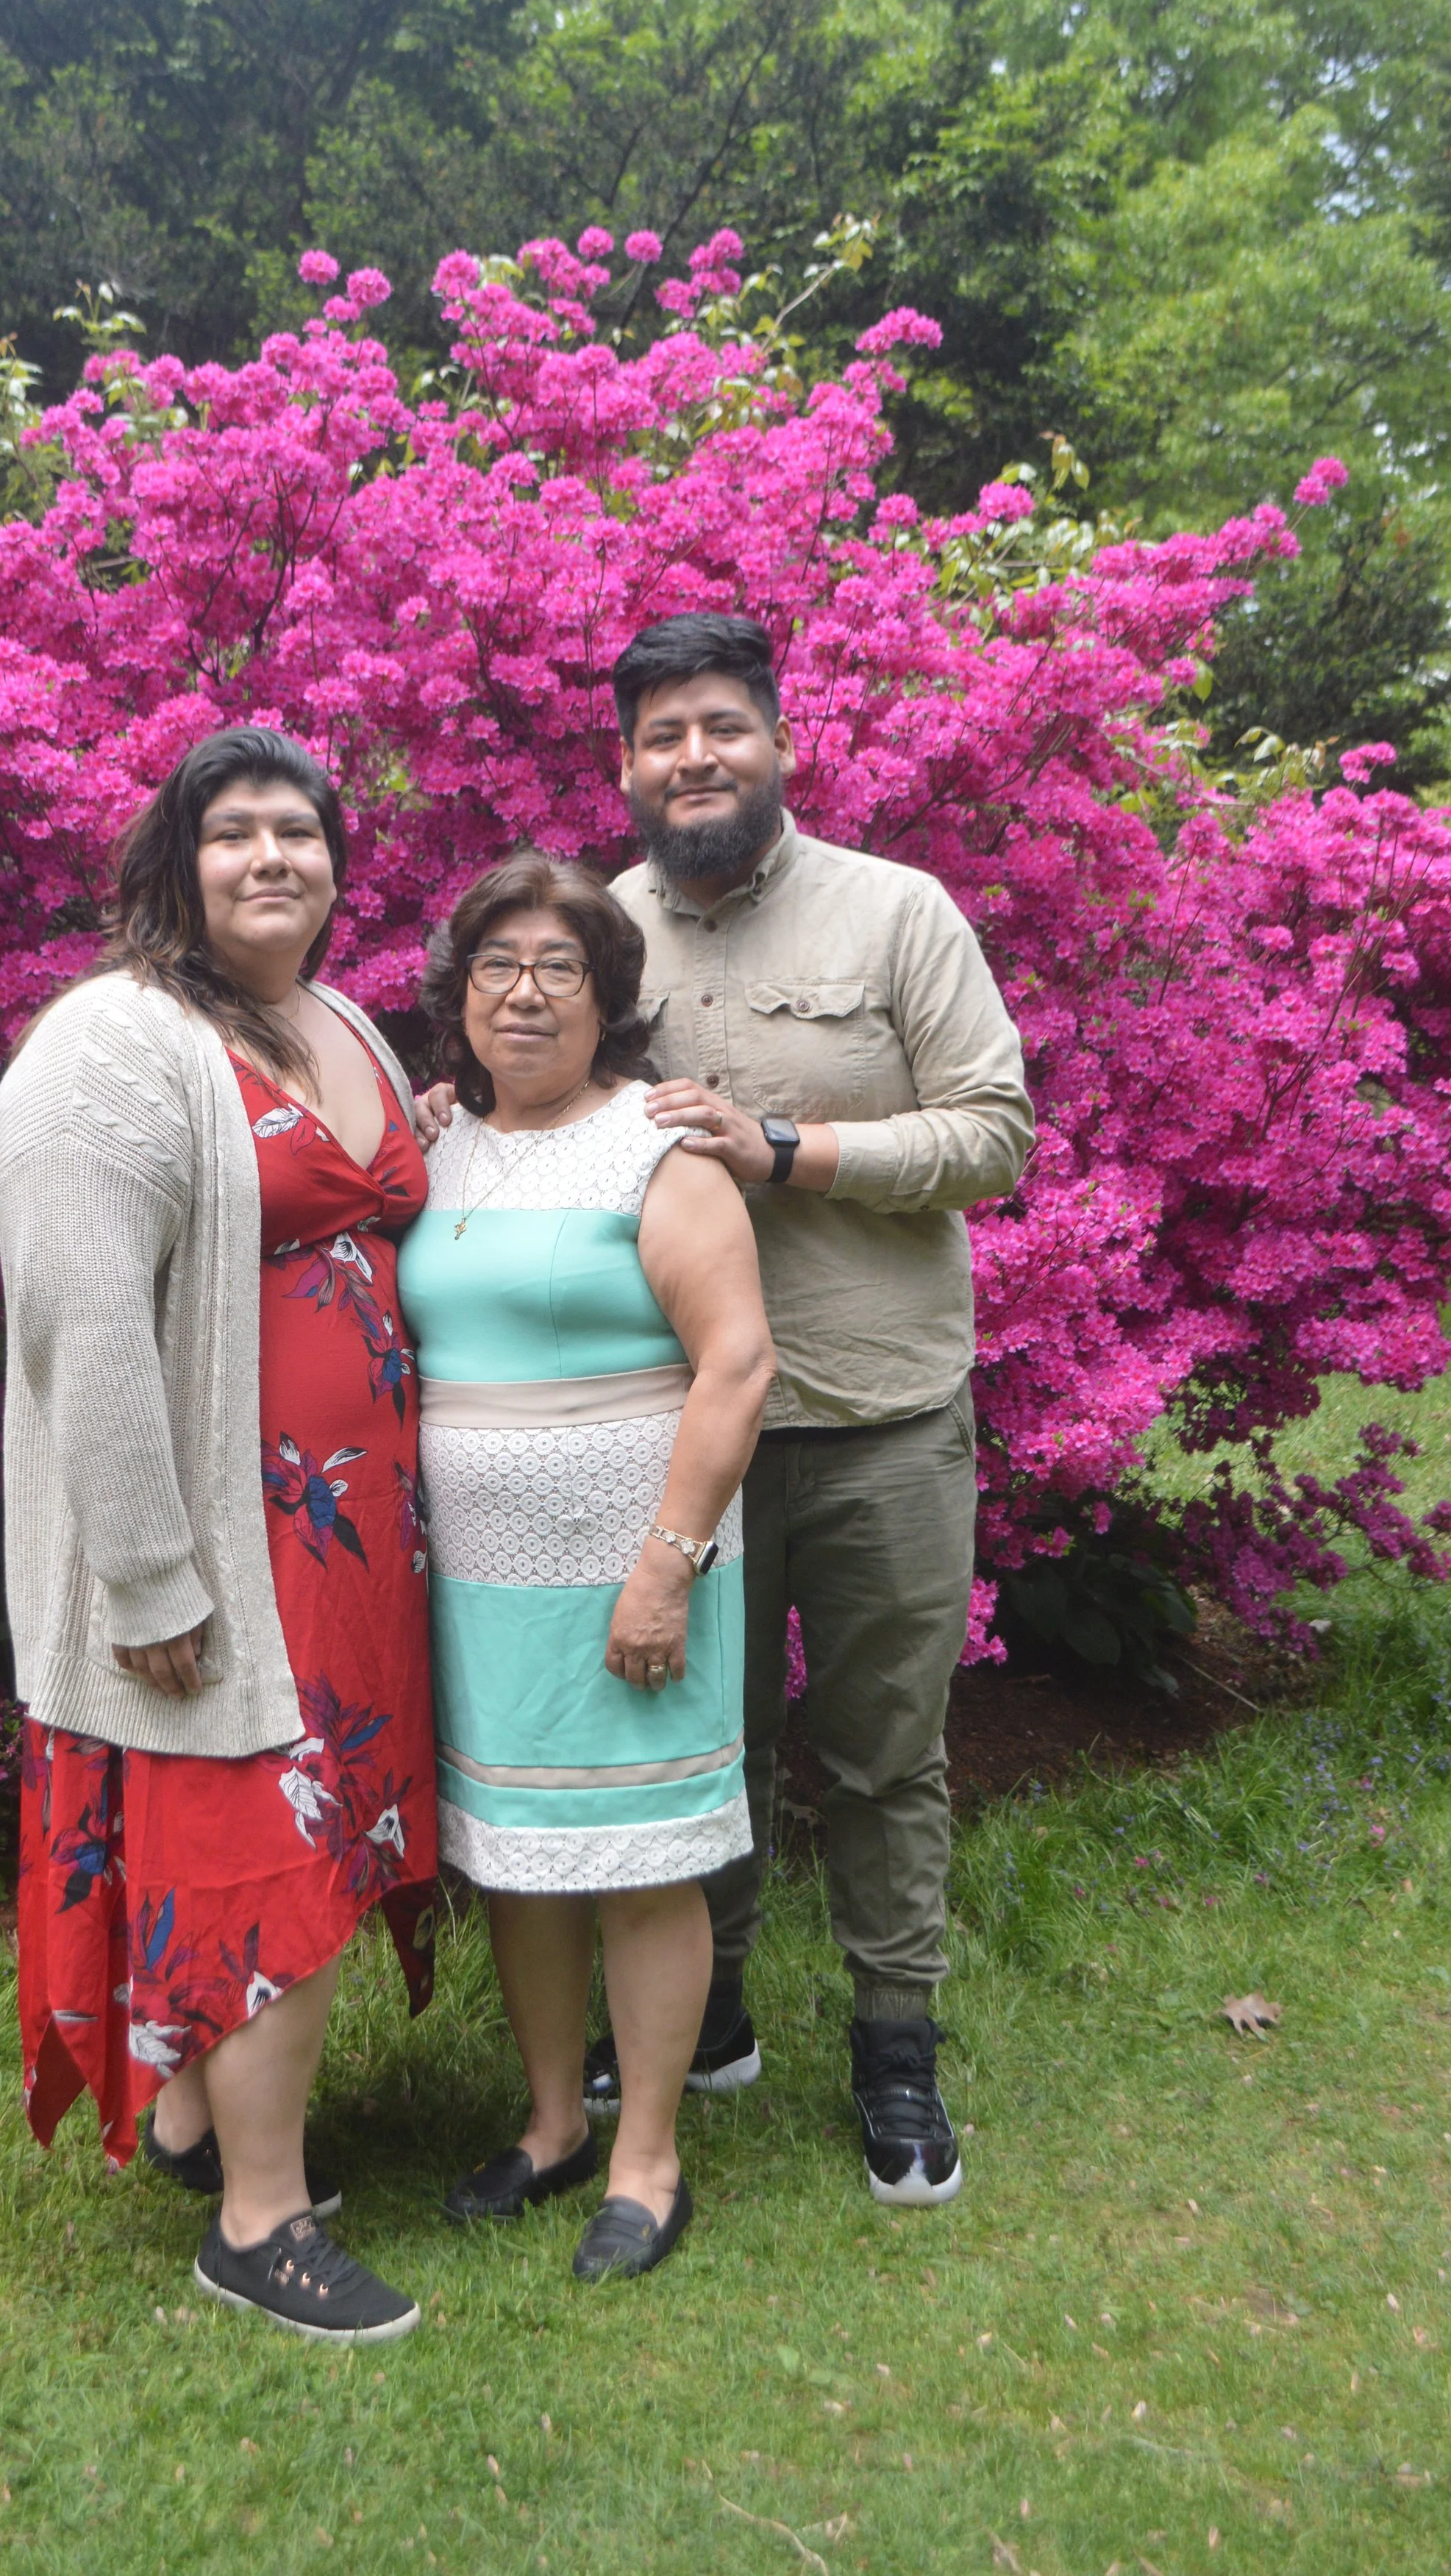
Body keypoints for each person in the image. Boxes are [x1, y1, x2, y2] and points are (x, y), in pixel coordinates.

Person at [0, 726, 438, 2346]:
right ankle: (260, 2221)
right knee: (260, 1843)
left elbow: (368, 1196)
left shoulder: (336, 1020)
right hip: (221, 1539)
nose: (272, 858)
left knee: (281, 1820)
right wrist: (146, 1569)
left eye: (299, 832)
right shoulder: (109, 1039)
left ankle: (194, 2125)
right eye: (234, 832)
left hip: (349, 1539)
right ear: (174, 864)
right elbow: (81, 1315)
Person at [596, 612, 1035, 2207]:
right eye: (662, 734)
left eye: (721, 725)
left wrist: (788, 1148)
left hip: (877, 1410)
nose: (692, 756)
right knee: (699, 1742)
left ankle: (893, 2043)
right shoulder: (594, 930)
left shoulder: (894, 912)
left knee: (878, 1749)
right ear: (627, 763)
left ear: (777, 739)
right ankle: (706, 2010)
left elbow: (993, 1132)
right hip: (680, 1423)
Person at [396, 854, 774, 2280]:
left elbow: (736, 1360)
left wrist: (665, 1566)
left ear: (608, 996)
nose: (525, 991)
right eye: (497, 964)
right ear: (459, 994)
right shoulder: (429, 1145)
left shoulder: (656, 1145)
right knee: (522, 1862)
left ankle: (646, 2154)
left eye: (559, 966)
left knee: (640, 1860)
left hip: (636, 1569)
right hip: (481, 1582)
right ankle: (553, 2122)